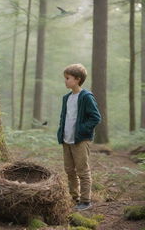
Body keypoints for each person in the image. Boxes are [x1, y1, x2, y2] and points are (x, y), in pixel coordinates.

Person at [57, 63, 101, 211]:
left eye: (67, 78)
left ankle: (85, 201)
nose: (65, 81)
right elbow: (65, 117)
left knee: (82, 170)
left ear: (77, 79)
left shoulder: (86, 97)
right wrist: (61, 132)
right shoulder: (66, 98)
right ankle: (74, 198)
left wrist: (82, 130)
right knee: (69, 170)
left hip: (81, 140)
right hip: (66, 140)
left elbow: (95, 117)